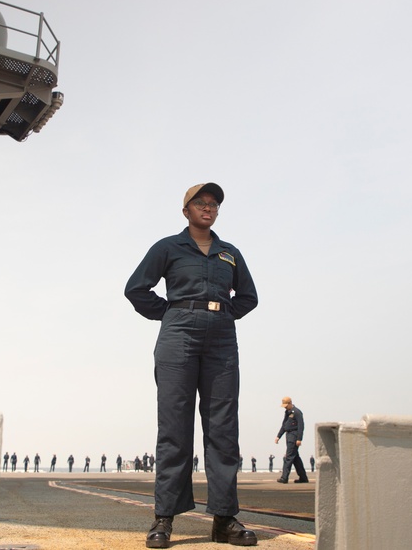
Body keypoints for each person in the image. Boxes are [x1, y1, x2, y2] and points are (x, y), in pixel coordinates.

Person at [125, 182, 259, 548]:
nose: (208, 207)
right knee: (174, 426)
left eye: (213, 203)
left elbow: (249, 297)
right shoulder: (168, 247)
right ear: (186, 211)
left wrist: (225, 315)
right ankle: (164, 518)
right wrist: (170, 313)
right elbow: (136, 289)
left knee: (223, 429)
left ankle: (224, 519)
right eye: (200, 203)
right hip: (178, 338)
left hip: (221, 341)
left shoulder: (229, 253)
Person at [275, 397, 309, 484]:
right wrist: (278, 436)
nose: (285, 407)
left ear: (290, 403)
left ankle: (284, 477)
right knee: (295, 459)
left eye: (286, 406)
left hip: (294, 436)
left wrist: (299, 439)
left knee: (288, 457)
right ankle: (303, 478)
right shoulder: (287, 412)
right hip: (288, 435)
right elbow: (284, 425)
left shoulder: (297, 412)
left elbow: (301, 426)